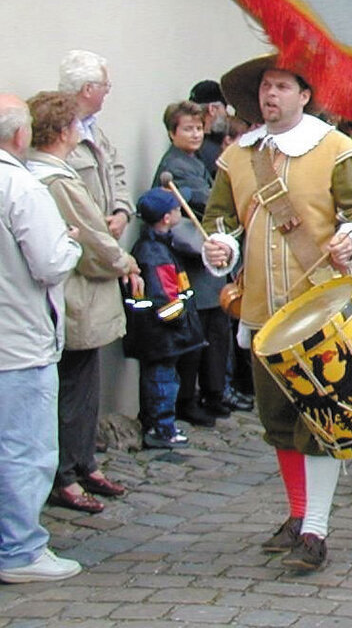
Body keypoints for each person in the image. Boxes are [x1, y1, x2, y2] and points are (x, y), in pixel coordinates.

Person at [201, 55, 352, 573]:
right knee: (278, 422)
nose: (269, 95)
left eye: (281, 86)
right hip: (260, 310)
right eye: (264, 88)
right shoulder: (238, 156)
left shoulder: (334, 148)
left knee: (319, 421)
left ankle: (316, 531)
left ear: (305, 94)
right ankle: (298, 515)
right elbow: (221, 218)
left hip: (318, 310)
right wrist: (220, 247)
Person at [25, 92, 140, 516]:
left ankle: (82, 463)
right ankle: (67, 473)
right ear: (61, 131)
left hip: (80, 294)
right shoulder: (55, 178)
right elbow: (93, 238)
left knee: (83, 386)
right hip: (76, 296)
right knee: (74, 387)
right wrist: (124, 261)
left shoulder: (52, 173)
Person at [0, 94, 84, 584]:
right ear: (20, 136)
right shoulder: (20, 185)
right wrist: (70, 239)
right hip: (18, 338)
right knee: (23, 448)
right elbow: (50, 262)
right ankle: (19, 550)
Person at [152, 100, 233, 425]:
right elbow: (202, 201)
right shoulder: (175, 167)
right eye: (188, 128)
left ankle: (213, 392)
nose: (196, 134)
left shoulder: (193, 160)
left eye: (199, 128)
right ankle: (190, 398)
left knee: (214, 330)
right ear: (173, 133)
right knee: (196, 335)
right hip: (193, 257)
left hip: (207, 258)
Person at [127, 188, 206, 449]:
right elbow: (165, 301)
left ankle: (159, 423)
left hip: (161, 334)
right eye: (174, 209)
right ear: (165, 217)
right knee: (162, 382)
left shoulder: (159, 246)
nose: (178, 212)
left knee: (162, 379)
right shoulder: (154, 253)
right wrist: (181, 322)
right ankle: (161, 428)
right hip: (162, 335)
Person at [58, 49, 132, 240]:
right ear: (87, 89)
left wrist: (122, 212)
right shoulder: (57, 135)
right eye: (105, 85)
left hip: (106, 244)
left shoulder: (95, 131)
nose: (108, 90)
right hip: (81, 246)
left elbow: (117, 173)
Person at [189, 79, 229, 168]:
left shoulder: (187, 144)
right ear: (212, 109)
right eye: (224, 108)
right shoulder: (210, 153)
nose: (226, 114)